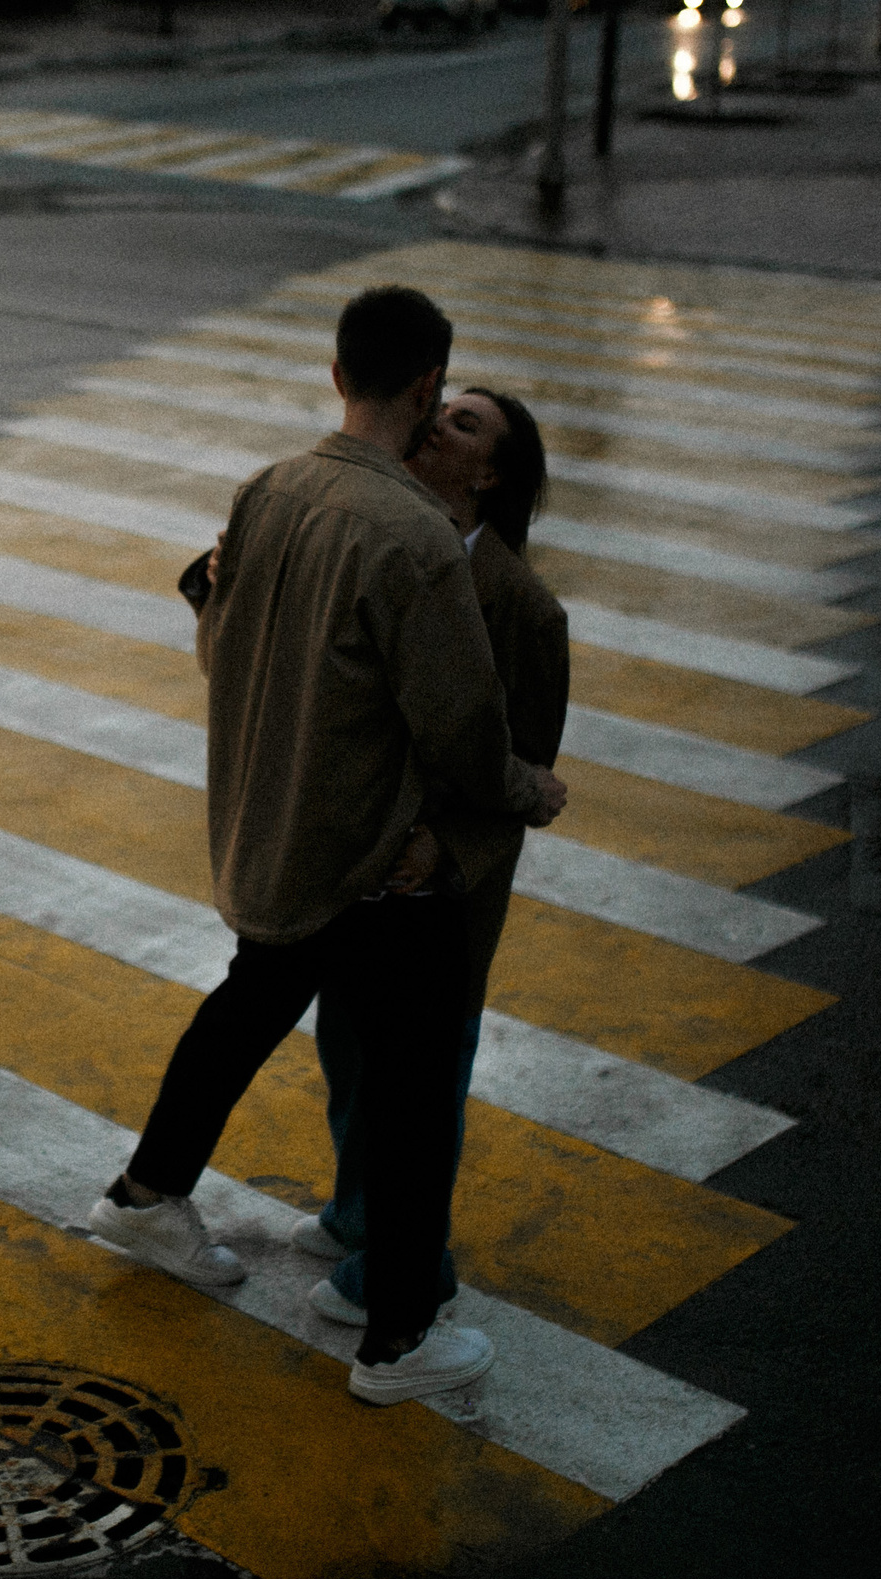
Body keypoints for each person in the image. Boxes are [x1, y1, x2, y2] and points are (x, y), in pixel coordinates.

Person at [86, 287, 567, 1406]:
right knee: (406, 1090)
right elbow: (462, 729)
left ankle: (147, 1196)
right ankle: (398, 1338)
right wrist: (521, 790)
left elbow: (229, 653)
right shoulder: (409, 540)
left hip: (276, 832)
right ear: (422, 388)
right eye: (445, 404)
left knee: (252, 1009)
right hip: (368, 859)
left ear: (336, 369)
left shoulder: (269, 490)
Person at [294, 386, 570, 1329]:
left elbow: (527, 764)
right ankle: (357, 1214)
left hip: (442, 886)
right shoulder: (389, 539)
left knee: (427, 1074)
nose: (430, 421)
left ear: (488, 474)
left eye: (460, 422)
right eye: (439, 407)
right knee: (349, 1043)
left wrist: (442, 845)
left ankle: (409, 1271)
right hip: (360, 859)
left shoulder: (525, 608)